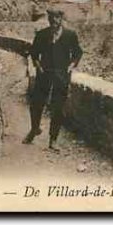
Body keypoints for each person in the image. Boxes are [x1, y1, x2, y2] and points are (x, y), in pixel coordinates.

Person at [23, 8, 83, 149]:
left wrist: (71, 66)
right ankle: (34, 129)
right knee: (36, 103)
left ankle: (53, 139)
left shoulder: (70, 35)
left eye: (56, 19)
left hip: (61, 75)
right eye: (51, 19)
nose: (53, 22)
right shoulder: (42, 35)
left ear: (61, 19)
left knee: (58, 108)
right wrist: (38, 66)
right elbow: (34, 53)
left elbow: (77, 53)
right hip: (44, 74)